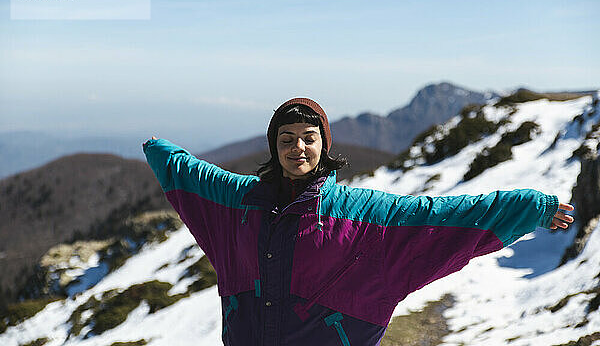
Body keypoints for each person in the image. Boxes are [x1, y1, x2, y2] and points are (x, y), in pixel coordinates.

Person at [142, 97, 574, 346]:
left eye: (308, 139)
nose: (298, 149)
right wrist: (157, 149)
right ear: (274, 147)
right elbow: (192, 174)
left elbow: (442, 218)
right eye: (286, 139)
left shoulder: (364, 217)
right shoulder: (240, 203)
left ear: (323, 145)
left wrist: (530, 206)